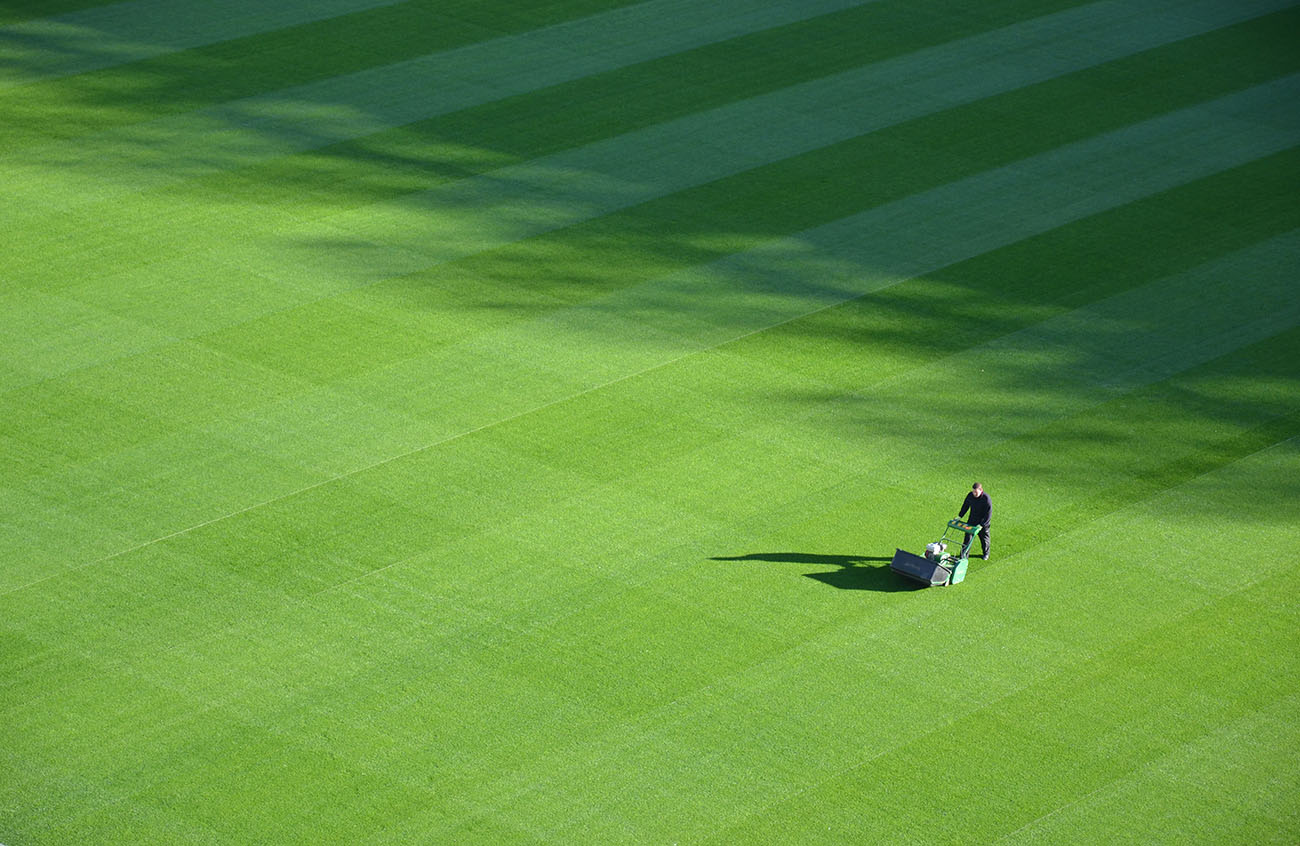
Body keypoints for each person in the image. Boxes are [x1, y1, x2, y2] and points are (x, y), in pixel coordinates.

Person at [958, 482, 991, 560]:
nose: (974, 493)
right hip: (972, 520)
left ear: (981, 490)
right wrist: (959, 516)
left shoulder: (986, 499)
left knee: (984, 540)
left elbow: (988, 514)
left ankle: (986, 553)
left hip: (983, 523)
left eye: (976, 492)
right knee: (967, 539)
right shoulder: (970, 496)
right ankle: (964, 556)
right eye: (973, 491)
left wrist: (982, 524)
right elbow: (965, 505)